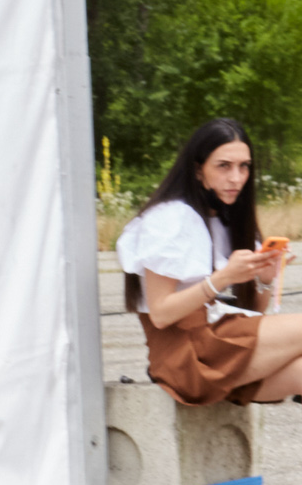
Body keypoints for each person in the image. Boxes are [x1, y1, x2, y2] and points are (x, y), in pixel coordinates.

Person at [115, 117, 302, 403]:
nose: (237, 178)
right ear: (198, 170)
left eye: (244, 166)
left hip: (223, 345)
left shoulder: (227, 218)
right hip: (187, 357)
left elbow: (254, 314)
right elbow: (161, 314)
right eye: (224, 166)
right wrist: (223, 278)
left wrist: (265, 279)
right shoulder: (171, 218)